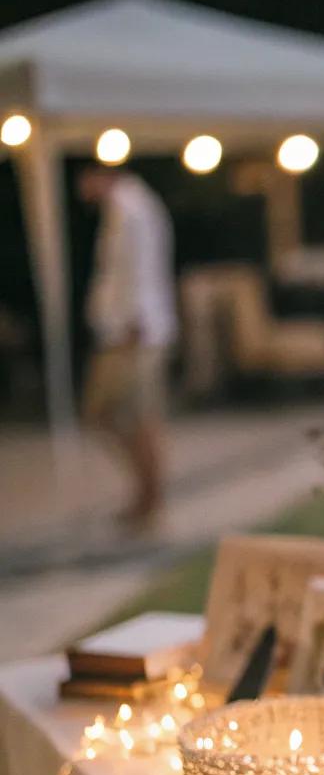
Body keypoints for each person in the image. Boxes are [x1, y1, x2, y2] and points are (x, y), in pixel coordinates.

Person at [78, 163, 177, 529]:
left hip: (133, 334)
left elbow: (139, 270)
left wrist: (134, 324)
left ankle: (149, 496)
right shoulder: (124, 207)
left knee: (125, 415)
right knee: (124, 415)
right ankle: (146, 494)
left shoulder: (132, 208)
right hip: (126, 332)